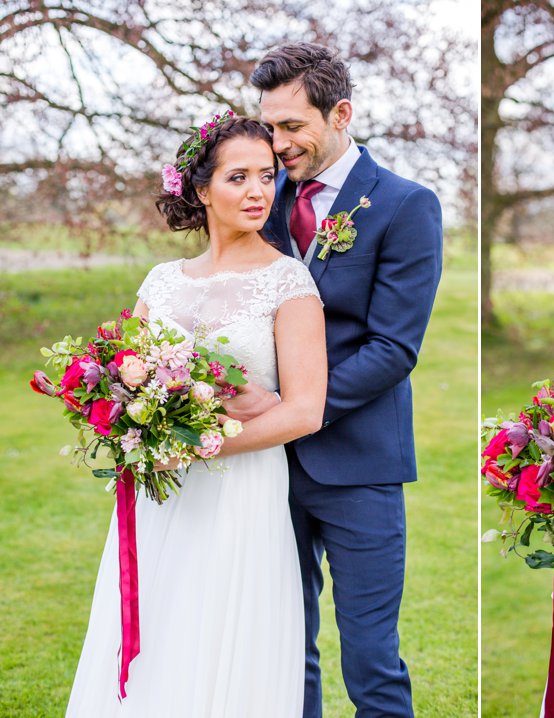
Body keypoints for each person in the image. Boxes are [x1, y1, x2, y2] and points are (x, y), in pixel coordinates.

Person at [66, 116, 327, 716]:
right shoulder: (161, 282)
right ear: (203, 190)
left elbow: (306, 411)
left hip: (242, 489)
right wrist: (132, 426)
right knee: (160, 619)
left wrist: (195, 446)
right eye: (238, 178)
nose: (258, 191)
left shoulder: (288, 282)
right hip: (162, 492)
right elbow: (124, 372)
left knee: (222, 627)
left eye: (267, 176)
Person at [224, 44, 442, 717]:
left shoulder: (407, 205)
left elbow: (393, 349)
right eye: (269, 126)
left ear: (341, 113)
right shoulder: (259, 197)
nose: (278, 143)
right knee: (286, 647)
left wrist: (295, 408)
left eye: (293, 127)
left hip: (361, 464)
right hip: (265, 467)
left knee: (371, 658)